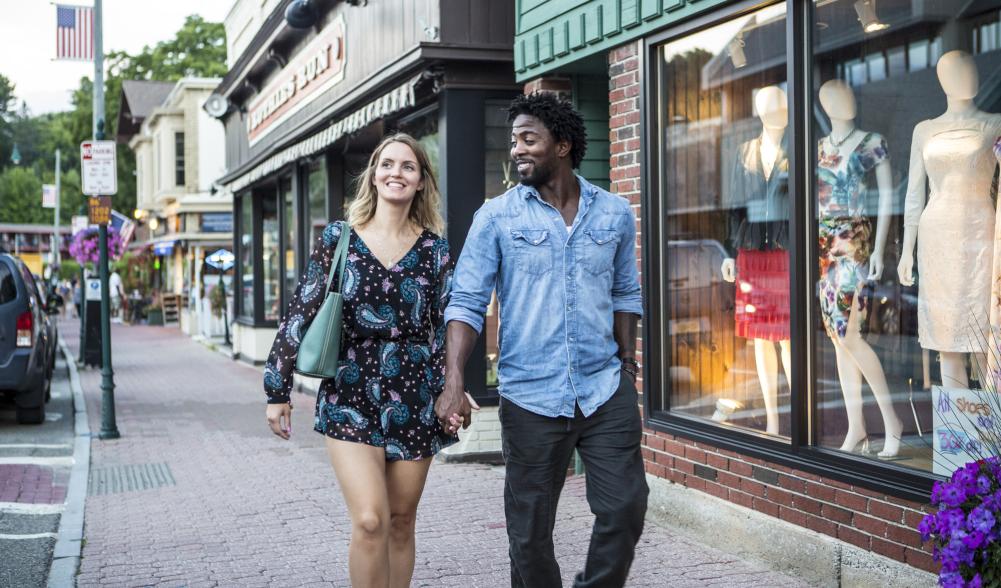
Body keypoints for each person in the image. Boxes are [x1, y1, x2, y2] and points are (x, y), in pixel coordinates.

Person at [438, 92, 647, 587]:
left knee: (625, 507)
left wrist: (629, 366)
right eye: (513, 141)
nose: (517, 149)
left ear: (563, 145)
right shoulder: (497, 216)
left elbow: (625, 293)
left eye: (528, 138)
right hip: (531, 395)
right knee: (529, 534)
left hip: (603, 388)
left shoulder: (614, 213)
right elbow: (466, 302)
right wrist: (452, 381)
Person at [264, 133, 458, 588]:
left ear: (421, 181)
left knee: (401, 521)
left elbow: (447, 328)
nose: (396, 173)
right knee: (371, 519)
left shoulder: (435, 252)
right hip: (350, 391)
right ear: (373, 175)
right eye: (387, 164)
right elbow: (303, 309)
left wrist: (452, 389)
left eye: (408, 166)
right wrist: (278, 388)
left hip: (415, 396)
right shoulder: (339, 239)